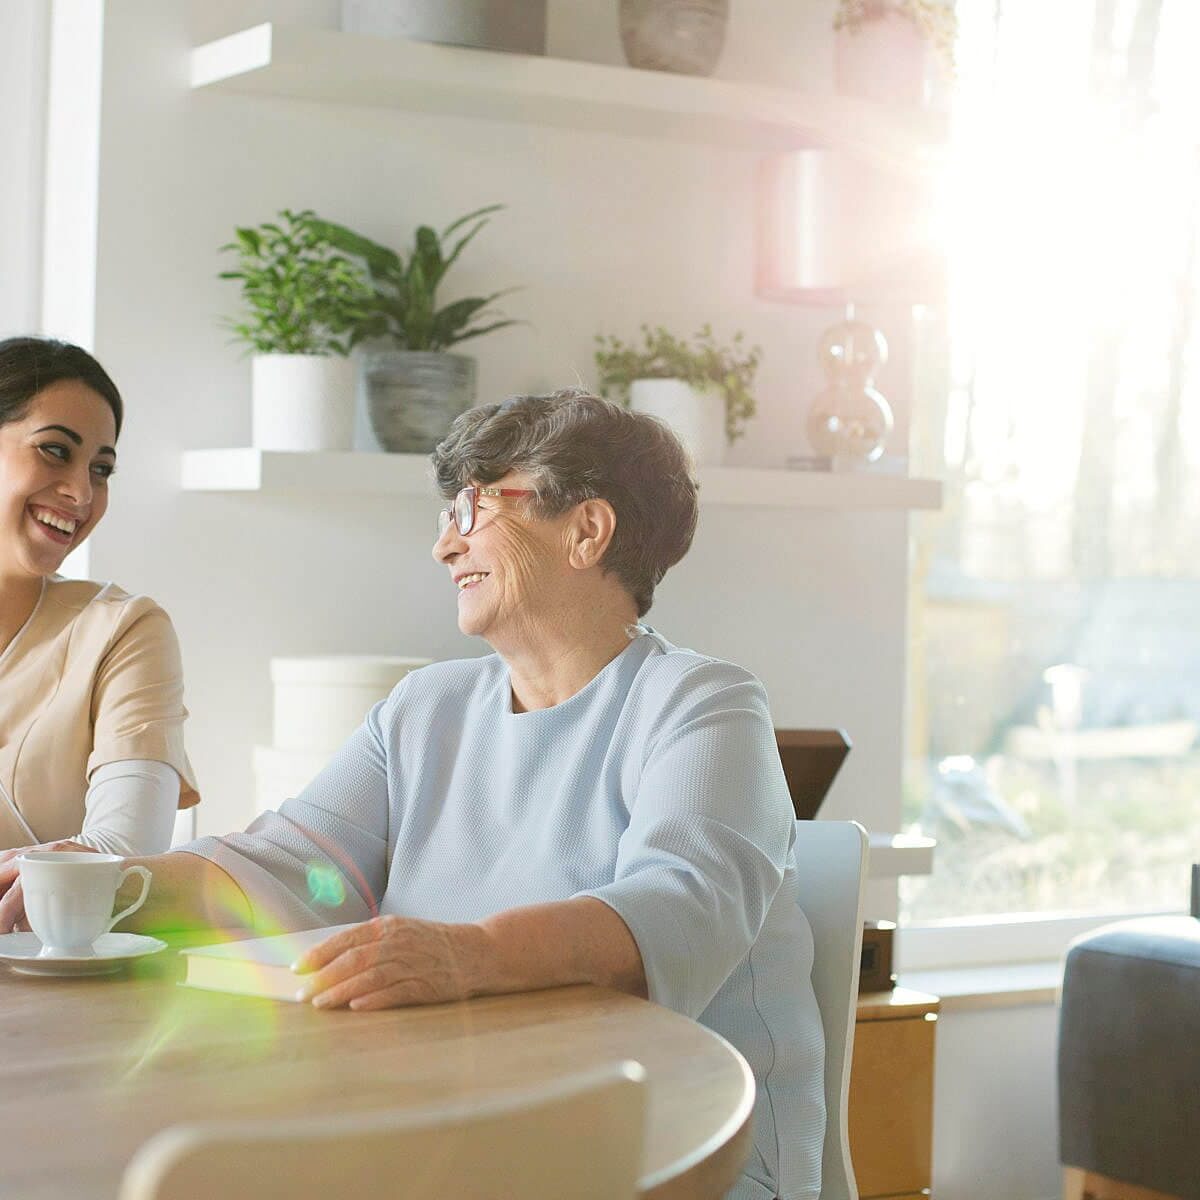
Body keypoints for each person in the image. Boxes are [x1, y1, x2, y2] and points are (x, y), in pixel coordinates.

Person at [8, 389, 824, 1200]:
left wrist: (466, 954)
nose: (443, 546)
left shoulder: (703, 703)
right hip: (469, 1128)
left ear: (587, 530)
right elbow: (292, 866)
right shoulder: (426, 707)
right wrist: (104, 885)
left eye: (471, 508)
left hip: (673, 1145)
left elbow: (681, 910)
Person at [0, 336, 199, 873]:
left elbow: (125, 851)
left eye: (101, 469)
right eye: (56, 450)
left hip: (60, 959)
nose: (82, 495)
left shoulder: (124, 630)